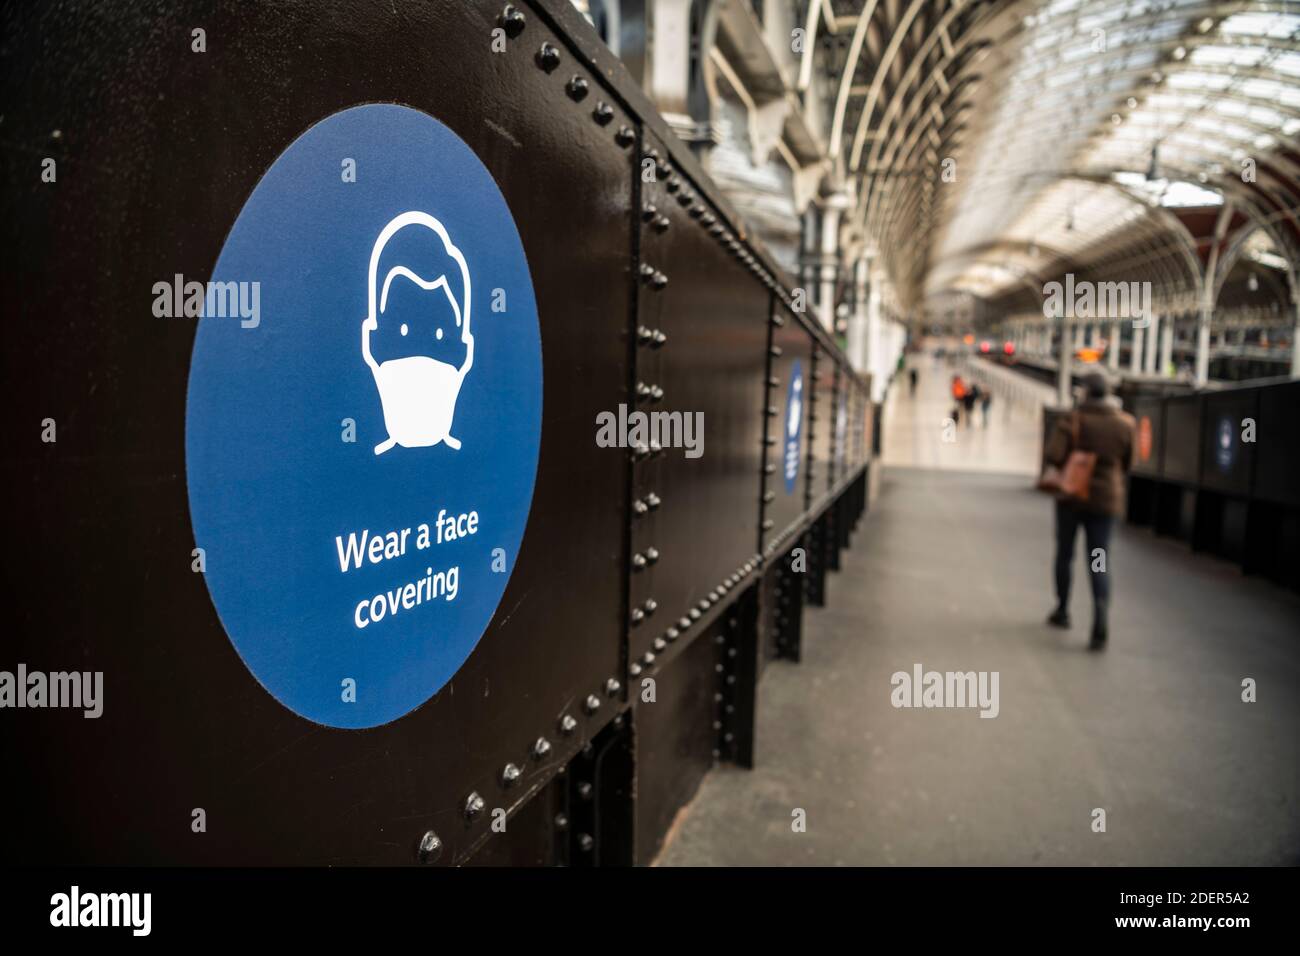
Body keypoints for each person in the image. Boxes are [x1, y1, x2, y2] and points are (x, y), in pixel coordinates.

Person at [1043, 370, 1137, 650]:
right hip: (1105, 502)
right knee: (1099, 559)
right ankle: (1099, 616)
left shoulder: (1073, 419)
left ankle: (1062, 609)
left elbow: (1054, 456)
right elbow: (1129, 462)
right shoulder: (1125, 424)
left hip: (1072, 498)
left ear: (1084, 392)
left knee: (1065, 554)